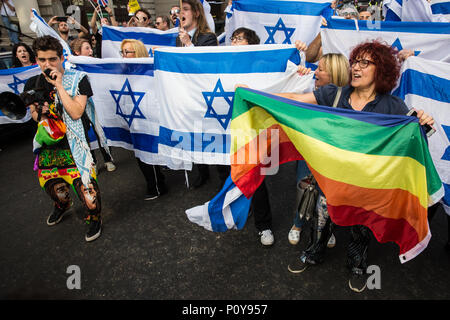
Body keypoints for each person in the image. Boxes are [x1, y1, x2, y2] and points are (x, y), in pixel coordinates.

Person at [257, 40, 434, 292]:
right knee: (320, 219)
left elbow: (410, 139)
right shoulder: (335, 94)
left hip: (366, 185)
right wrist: (256, 94)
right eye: (354, 62)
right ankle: (313, 253)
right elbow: (295, 99)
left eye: (365, 62)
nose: (356, 68)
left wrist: (422, 122)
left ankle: (358, 266)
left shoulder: (393, 107)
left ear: (381, 69)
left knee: (360, 228)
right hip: (329, 180)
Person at [24, 35, 103, 242]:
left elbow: (76, 112)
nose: (47, 64)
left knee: (88, 194)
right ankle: (62, 205)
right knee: (53, 188)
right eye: (42, 60)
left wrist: (59, 86)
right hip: (49, 148)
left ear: (61, 58)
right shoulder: (33, 83)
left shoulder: (79, 79)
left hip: (74, 145)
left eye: (52, 59)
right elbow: (34, 116)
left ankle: (94, 219)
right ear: (37, 60)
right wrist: (41, 112)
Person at [288, 53, 350, 249]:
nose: (315, 72)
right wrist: (299, 76)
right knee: (303, 186)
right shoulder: (308, 86)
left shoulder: (348, 97)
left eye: (320, 69)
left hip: (333, 157)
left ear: (333, 75)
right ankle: (297, 225)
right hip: (308, 153)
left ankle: (325, 229)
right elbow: (291, 97)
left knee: (328, 194)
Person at [176, 0, 223, 189]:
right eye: (180, 10)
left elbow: (205, 66)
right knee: (194, 133)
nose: (181, 14)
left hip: (206, 97)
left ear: (196, 12)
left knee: (213, 136)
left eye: (185, 9)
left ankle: (223, 181)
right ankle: (201, 172)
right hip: (188, 96)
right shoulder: (178, 38)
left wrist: (188, 45)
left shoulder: (208, 38)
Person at [120, 39, 168, 200]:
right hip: (133, 119)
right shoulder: (122, 71)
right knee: (139, 154)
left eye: (128, 52)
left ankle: (157, 186)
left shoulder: (149, 72)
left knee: (149, 154)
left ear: (138, 53)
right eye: (123, 52)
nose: (124, 56)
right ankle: (153, 183)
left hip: (148, 120)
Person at [70, 38, 117, 173]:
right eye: (87, 48)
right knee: (84, 134)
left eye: (90, 48)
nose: (91, 51)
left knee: (100, 131)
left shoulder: (97, 65)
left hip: (97, 104)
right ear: (77, 52)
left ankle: (108, 159)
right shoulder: (72, 68)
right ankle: (92, 163)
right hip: (81, 105)